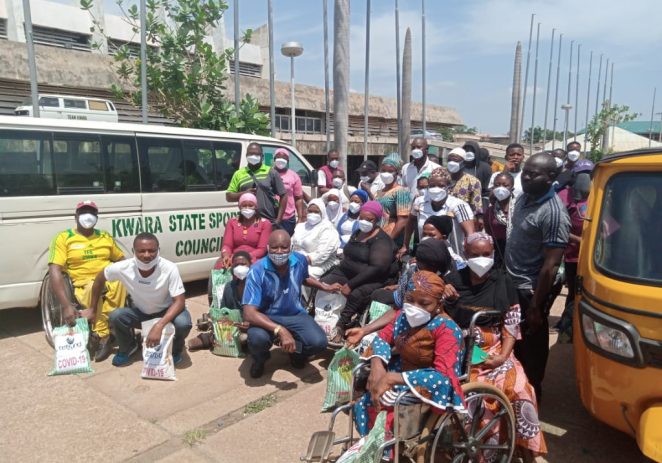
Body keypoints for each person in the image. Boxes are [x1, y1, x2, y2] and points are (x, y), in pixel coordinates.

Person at [444, 233, 547, 460]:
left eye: (486, 254)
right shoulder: (453, 281)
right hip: (464, 349)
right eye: (474, 255)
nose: (481, 259)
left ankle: (525, 449)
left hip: (496, 349)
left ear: (492, 254)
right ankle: (482, 453)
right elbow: (440, 316)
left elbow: (511, 323)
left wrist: (502, 356)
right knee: (475, 394)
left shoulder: (503, 281)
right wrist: (444, 294)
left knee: (521, 388)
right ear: (465, 253)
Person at [351, 271, 465, 440]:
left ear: (439, 304)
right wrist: (377, 366)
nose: (414, 307)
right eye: (410, 300)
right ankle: (370, 446)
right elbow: (382, 338)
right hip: (400, 373)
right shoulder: (402, 317)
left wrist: (393, 378)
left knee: (387, 412)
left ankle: (385, 450)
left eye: (424, 303)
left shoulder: (447, 330)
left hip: (426, 384)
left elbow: (444, 377)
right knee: (363, 404)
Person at [506, 152, 570, 400]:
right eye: (526, 171)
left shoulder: (553, 212)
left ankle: (532, 400)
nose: (527, 177)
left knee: (531, 348)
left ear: (551, 177)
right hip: (512, 281)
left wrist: (535, 306)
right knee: (512, 343)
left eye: (534, 173)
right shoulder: (524, 198)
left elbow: (551, 265)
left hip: (531, 289)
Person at [241, 230, 335, 378]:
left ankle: (296, 353)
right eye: (274, 247)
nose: (279, 252)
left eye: (284, 247)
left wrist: (324, 286)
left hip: (295, 314)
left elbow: (304, 277)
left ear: (291, 248)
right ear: (267, 248)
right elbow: (249, 313)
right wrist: (281, 330)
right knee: (257, 339)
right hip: (267, 317)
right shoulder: (257, 270)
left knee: (319, 342)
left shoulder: (300, 260)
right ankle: (260, 359)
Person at [91, 233, 192, 367]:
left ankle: (176, 349)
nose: (146, 255)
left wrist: (159, 325)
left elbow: (179, 302)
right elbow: (99, 279)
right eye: (141, 251)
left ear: (158, 250)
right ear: (133, 251)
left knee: (183, 323)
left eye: (152, 251)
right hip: (142, 314)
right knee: (116, 316)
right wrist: (92, 309)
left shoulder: (169, 268)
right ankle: (127, 347)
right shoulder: (123, 267)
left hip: (167, 312)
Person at [48, 200, 127, 362]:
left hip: (108, 278)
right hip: (84, 283)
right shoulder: (64, 238)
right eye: (83, 212)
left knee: (120, 282)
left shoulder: (104, 236)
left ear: (97, 217)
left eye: (91, 213)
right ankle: (104, 334)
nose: (87, 216)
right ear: (75, 216)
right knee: (94, 287)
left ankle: (108, 329)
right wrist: (66, 305)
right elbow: (55, 270)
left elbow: (120, 259)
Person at [321, 201, 398, 343]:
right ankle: (321, 318)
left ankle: (341, 325)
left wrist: (350, 285)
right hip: (347, 272)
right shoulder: (357, 233)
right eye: (361, 218)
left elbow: (377, 268)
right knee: (324, 283)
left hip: (373, 278)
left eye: (369, 219)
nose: (364, 222)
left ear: (377, 220)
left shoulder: (381, 241)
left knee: (357, 293)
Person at [555, 159, 594, 340]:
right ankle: (567, 324)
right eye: (581, 175)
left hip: (593, 255)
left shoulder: (601, 195)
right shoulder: (564, 196)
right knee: (573, 290)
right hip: (571, 254)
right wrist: (579, 240)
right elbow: (559, 227)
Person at [400, 167, 475, 259]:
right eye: (432, 185)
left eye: (441, 185)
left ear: (448, 186)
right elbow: (410, 222)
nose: (436, 189)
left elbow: (470, 234)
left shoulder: (458, 205)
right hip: (426, 255)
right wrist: (405, 245)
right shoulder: (420, 202)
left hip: (453, 257)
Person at [226, 142, 287, 228]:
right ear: (246, 155)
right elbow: (228, 196)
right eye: (251, 153)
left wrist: (279, 219)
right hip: (246, 222)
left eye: (257, 154)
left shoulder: (271, 172)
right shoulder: (238, 174)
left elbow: (284, 195)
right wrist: (244, 193)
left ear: (262, 156)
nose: (253, 156)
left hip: (268, 221)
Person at [218, 193, 272, 268]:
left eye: (250, 205)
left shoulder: (265, 223)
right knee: (220, 266)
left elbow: (262, 250)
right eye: (244, 205)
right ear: (239, 207)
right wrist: (226, 255)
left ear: (255, 207)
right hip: (233, 257)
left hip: (254, 258)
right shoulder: (232, 222)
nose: (247, 208)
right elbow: (227, 245)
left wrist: (243, 258)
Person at [292, 199, 340, 278]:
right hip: (296, 258)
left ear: (322, 212)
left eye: (316, 212)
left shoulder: (328, 229)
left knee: (298, 273)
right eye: (310, 211)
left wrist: (300, 261)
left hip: (318, 264)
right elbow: (292, 243)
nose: (312, 214)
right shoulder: (302, 226)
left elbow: (321, 254)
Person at [374, 154, 411, 242]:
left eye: (390, 171)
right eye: (383, 170)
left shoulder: (402, 192)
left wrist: (389, 240)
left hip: (391, 236)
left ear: (397, 172)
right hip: (377, 234)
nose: (386, 173)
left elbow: (403, 220)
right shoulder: (379, 192)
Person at [446, 147, 484, 226]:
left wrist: (479, 221)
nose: (452, 163)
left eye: (455, 161)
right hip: (441, 219)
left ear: (464, 163)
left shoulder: (473, 181)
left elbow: (476, 206)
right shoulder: (441, 177)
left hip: (463, 222)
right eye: (449, 160)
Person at [485, 172, 515, 266]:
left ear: (512, 189)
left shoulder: (519, 209)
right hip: (497, 253)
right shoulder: (490, 211)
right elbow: (488, 232)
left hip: (516, 252)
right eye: (497, 185)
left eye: (505, 185)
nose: (501, 188)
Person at [272, 148, 304, 235]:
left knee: (286, 242)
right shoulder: (268, 173)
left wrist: (300, 218)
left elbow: (298, 198)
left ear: (288, 161)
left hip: (288, 218)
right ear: (274, 159)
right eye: (278, 158)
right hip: (271, 216)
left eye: (284, 158)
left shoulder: (294, 176)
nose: (281, 160)